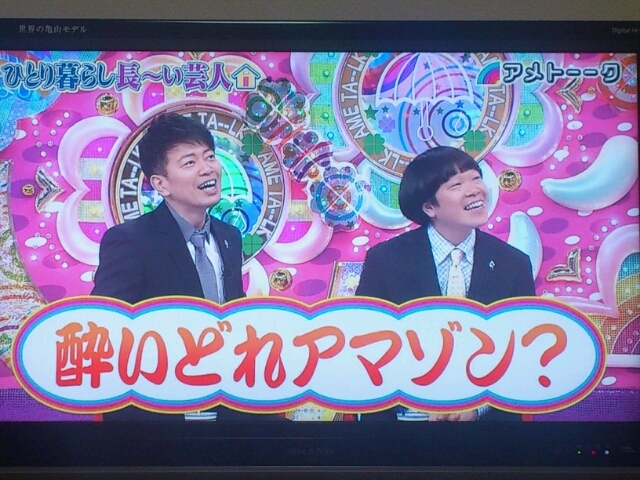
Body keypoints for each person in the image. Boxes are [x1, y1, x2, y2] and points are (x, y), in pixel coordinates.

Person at [355, 146, 536, 421]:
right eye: (457, 185)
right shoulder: (386, 260)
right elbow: (366, 347)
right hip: (403, 430)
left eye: (476, 178)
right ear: (429, 206)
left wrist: (477, 408)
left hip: (489, 434)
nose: (474, 190)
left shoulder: (514, 264)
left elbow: (523, 357)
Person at [92, 112, 249, 421]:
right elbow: (106, 330)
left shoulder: (230, 236)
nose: (207, 168)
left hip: (224, 405)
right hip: (156, 416)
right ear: (161, 184)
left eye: (210, 156)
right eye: (189, 162)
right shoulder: (130, 241)